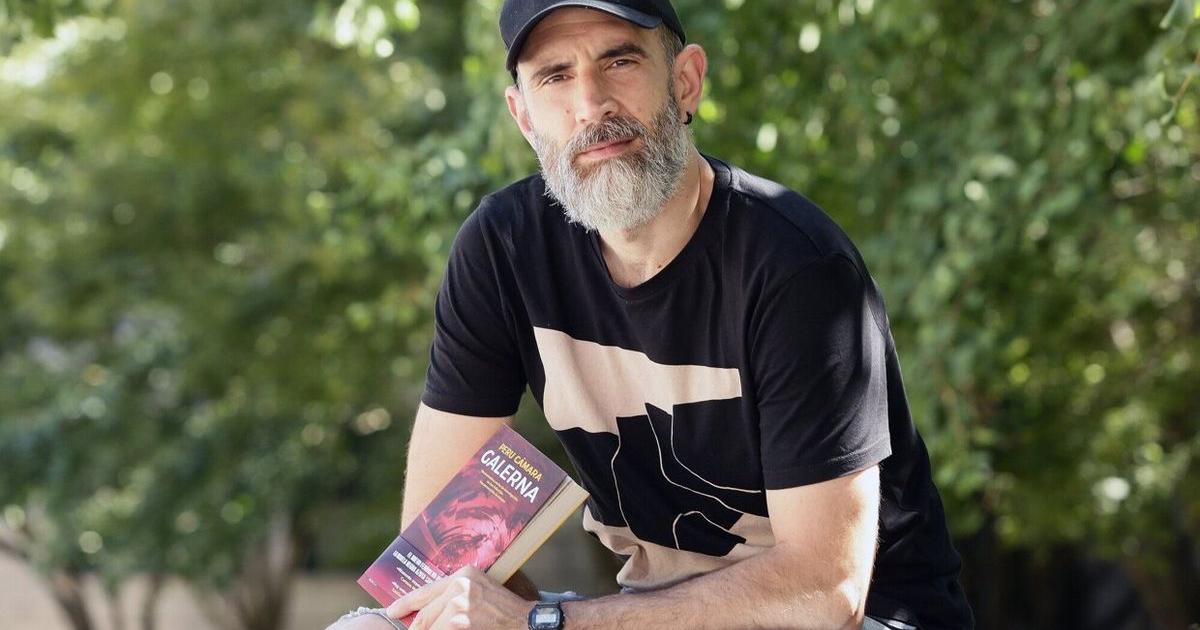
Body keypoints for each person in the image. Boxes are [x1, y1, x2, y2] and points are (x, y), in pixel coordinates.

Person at [330, 1, 974, 628]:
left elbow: (825, 595)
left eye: (620, 62)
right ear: (523, 116)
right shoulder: (503, 250)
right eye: (555, 77)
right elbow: (436, 555)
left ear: (685, 81)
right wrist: (506, 618)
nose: (592, 105)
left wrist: (544, 622)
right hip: (644, 612)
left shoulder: (795, 267)